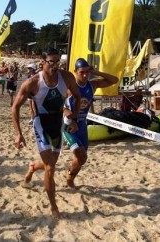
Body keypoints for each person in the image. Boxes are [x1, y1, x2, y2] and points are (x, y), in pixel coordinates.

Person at [12, 48, 81, 219]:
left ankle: (32, 167)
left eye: (58, 62)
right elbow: (15, 107)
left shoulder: (67, 78)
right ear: (42, 61)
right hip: (40, 123)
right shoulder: (33, 83)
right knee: (51, 167)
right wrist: (18, 133)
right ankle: (54, 208)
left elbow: (78, 97)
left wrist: (74, 120)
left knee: (52, 163)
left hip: (57, 123)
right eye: (52, 62)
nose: (55, 66)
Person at [62, 58, 118, 188]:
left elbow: (114, 80)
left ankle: (69, 176)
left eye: (88, 72)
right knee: (81, 157)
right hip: (69, 126)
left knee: (82, 159)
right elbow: (55, 102)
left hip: (82, 125)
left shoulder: (92, 85)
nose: (85, 75)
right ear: (75, 71)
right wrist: (65, 110)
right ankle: (70, 179)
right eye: (82, 72)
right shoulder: (69, 87)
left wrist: (97, 72)